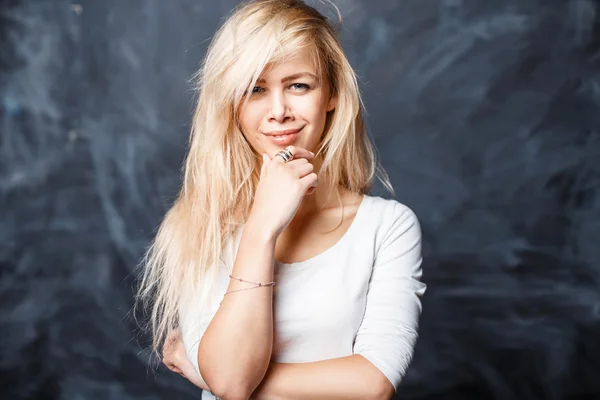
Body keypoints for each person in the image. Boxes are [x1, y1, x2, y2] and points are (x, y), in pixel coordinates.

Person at [135, 0, 427, 399]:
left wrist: (202, 371)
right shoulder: (197, 224)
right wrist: (262, 227)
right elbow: (233, 382)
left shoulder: (388, 227)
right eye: (255, 89)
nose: (278, 112)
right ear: (233, 104)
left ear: (332, 94)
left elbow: (373, 385)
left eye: (298, 86)